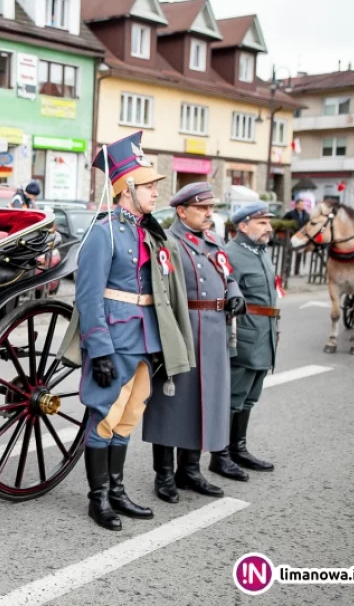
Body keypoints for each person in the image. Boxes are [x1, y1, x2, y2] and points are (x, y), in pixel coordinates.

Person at [60, 131, 195, 531]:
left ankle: (117, 491)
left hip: (145, 336)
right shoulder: (104, 233)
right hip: (115, 337)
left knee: (130, 414)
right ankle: (97, 498)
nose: (156, 193)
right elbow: (88, 297)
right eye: (150, 186)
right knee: (104, 415)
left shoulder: (147, 231)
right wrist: (98, 349)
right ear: (127, 189)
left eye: (156, 186)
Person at [142, 182, 247, 503]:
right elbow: (158, 288)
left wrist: (234, 293)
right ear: (181, 211)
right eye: (201, 208)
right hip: (182, 329)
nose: (208, 213)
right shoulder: (167, 241)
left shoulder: (214, 241)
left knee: (205, 403)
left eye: (210, 208)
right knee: (171, 404)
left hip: (214, 332)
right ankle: (164, 474)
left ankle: (190, 470)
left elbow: (227, 275)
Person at [209, 202, 278, 481]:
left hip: (266, 332)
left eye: (269, 223)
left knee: (250, 397)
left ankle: (239, 448)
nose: (269, 228)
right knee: (234, 397)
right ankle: (220, 455)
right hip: (246, 333)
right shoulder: (231, 254)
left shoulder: (260, 252)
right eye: (262, 223)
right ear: (243, 225)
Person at [283, 198, 309, 275]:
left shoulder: (306, 215)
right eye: (301, 204)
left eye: (303, 204)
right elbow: (284, 221)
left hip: (301, 237)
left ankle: (297, 271)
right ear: (296, 205)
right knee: (289, 253)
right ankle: (287, 270)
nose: (302, 206)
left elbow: (307, 225)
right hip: (291, 235)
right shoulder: (290, 214)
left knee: (299, 254)